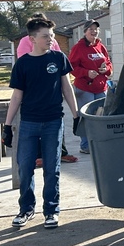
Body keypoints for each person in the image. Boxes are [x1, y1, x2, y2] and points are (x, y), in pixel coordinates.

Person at [3, 15, 80, 229]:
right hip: (28, 123)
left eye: (52, 36)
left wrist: (76, 115)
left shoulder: (58, 58)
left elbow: (67, 88)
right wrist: (8, 126)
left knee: (51, 168)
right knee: (25, 168)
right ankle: (26, 209)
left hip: (53, 121)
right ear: (32, 39)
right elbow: (17, 96)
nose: (51, 40)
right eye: (46, 36)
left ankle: (51, 211)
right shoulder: (23, 64)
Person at [16, 13, 78, 163]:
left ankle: (61, 152)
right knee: (35, 127)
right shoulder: (25, 42)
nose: (49, 37)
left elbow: (56, 55)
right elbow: (25, 62)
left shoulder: (53, 42)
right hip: (35, 91)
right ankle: (38, 155)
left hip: (53, 90)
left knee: (56, 123)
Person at [68, 19, 112, 154]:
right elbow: (71, 67)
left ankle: (99, 142)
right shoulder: (78, 47)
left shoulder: (100, 46)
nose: (94, 31)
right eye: (90, 29)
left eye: (96, 29)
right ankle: (85, 145)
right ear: (85, 32)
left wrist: (107, 70)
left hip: (101, 87)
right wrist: (86, 73)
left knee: (101, 115)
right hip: (85, 88)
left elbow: (108, 62)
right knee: (87, 116)